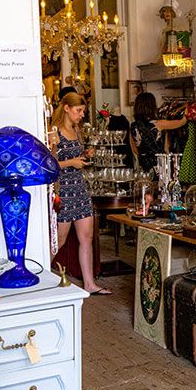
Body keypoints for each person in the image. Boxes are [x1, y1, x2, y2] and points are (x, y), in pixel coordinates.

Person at [50, 91, 111, 295]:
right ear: (66, 109)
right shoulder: (54, 133)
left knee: (87, 237)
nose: (82, 115)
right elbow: (50, 165)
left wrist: (84, 155)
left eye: (83, 111)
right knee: (59, 239)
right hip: (64, 191)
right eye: (79, 110)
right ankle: (40, 275)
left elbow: (75, 159)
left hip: (80, 189)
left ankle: (89, 283)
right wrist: (72, 162)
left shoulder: (77, 130)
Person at [130, 92, 187, 174]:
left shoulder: (133, 126)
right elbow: (182, 122)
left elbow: (134, 150)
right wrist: (188, 109)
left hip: (144, 169)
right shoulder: (159, 124)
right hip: (160, 168)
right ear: (153, 107)